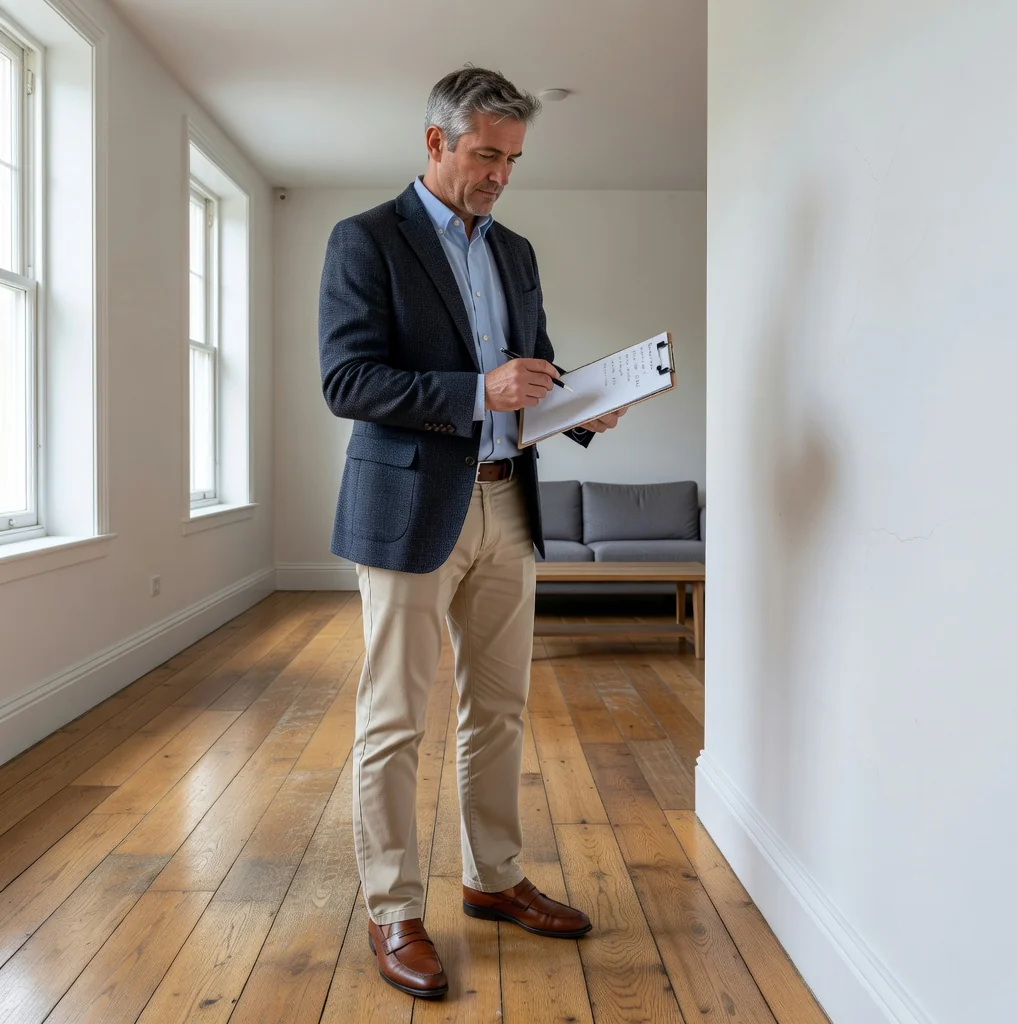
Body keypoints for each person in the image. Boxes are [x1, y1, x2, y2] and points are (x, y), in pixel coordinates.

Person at [318, 66, 625, 1000]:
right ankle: (393, 909)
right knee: (394, 721)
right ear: (435, 143)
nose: (499, 174)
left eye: (513, 158)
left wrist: (579, 405)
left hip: (507, 503)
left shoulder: (516, 251)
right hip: (411, 510)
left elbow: (523, 371)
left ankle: (493, 880)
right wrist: (475, 392)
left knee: (498, 711)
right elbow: (347, 382)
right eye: (485, 154)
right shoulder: (365, 239)